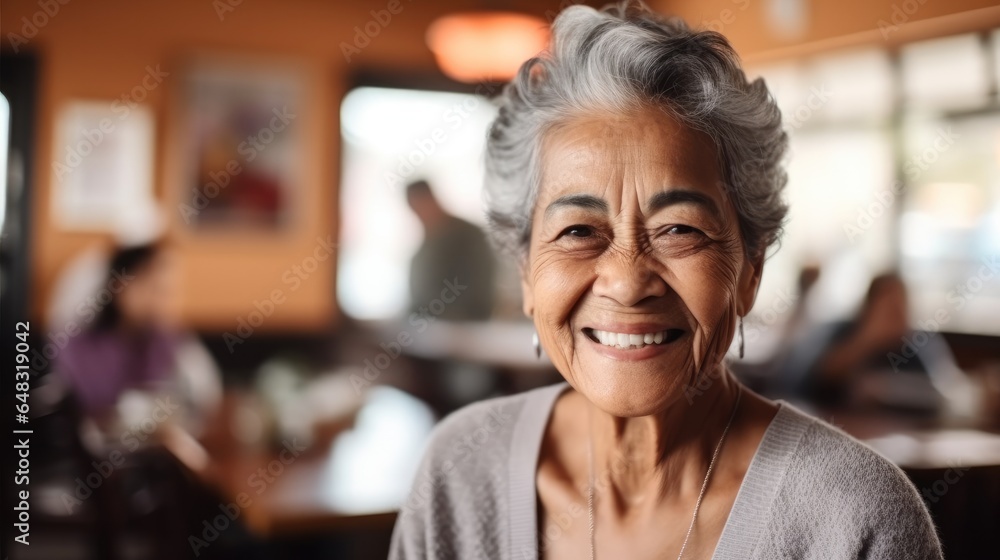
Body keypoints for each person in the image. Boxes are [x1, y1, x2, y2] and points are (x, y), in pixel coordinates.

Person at [389, 3, 942, 559]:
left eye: (679, 229)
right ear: (526, 273)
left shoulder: (852, 516)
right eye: (579, 230)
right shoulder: (460, 472)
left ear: (750, 270)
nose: (628, 283)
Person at [54, 241, 221, 437]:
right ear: (121, 286)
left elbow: (207, 397)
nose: (163, 303)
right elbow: (88, 412)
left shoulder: (170, 342)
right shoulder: (80, 348)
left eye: (169, 292)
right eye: (155, 289)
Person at [406, 180, 496, 321]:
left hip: (463, 326)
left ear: (431, 198)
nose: (420, 214)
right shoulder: (428, 239)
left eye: (420, 205)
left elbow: (478, 286)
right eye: (414, 209)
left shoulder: (468, 236)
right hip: (429, 325)